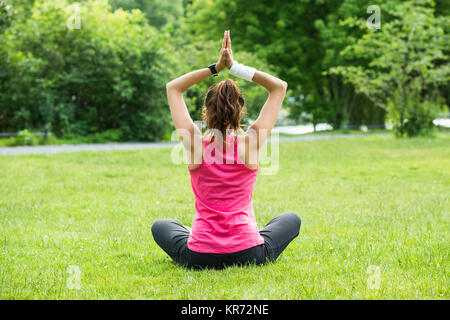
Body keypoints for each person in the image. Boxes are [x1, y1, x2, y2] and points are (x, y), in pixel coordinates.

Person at [151, 31, 301, 269]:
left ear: (206, 112)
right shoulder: (251, 142)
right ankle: (248, 234)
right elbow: (279, 88)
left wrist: (215, 68)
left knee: (160, 225)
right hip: (249, 252)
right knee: (292, 219)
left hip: (200, 255)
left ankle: (201, 233)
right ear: (240, 110)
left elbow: (173, 88)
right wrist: (236, 67)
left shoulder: (195, 144)